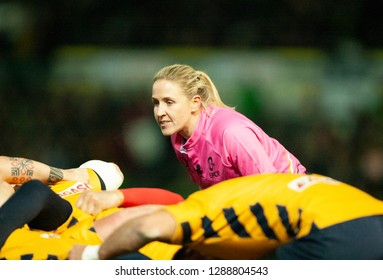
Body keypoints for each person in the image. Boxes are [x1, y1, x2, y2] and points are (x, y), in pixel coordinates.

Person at [77, 173, 383, 260]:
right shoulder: (245, 193)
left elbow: (147, 227)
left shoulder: (203, 209)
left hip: (333, 234)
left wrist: (92, 257)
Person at [151, 64, 306, 189]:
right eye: (156, 103)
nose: (160, 112)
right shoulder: (178, 138)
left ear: (195, 103)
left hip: (291, 194)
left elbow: (269, 187)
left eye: (169, 102)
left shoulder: (231, 133)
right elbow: (209, 189)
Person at [0, 157, 184, 260]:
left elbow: (176, 202)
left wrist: (67, 174)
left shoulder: (72, 181)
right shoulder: (21, 235)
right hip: (83, 241)